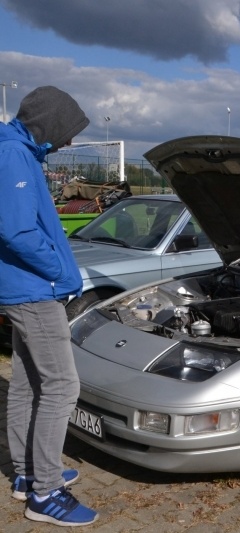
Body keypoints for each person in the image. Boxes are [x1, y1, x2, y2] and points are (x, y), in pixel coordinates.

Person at [0, 86, 98, 526]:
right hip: (35, 291)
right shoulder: (15, 157)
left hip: (24, 289)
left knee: (27, 382)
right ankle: (46, 493)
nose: (69, 143)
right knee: (62, 386)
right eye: (67, 131)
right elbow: (17, 233)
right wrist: (59, 272)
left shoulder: (18, 152)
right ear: (49, 123)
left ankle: (27, 474)